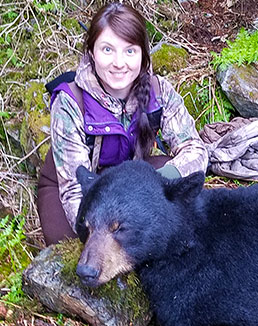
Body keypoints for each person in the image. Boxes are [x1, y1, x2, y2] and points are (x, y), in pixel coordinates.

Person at [37, 2, 209, 245]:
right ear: (92, 52)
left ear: (142, 55)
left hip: (132, 178)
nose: (119, 63)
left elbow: (195, 150)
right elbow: (74, 189)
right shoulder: (70, 101)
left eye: (130, 51)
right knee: (71, 245)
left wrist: (149, 189)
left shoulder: (159, 91)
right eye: (108, 50)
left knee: (177, 210)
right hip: (80, 186)